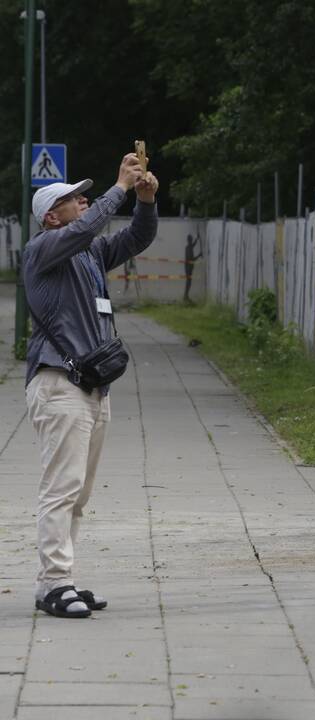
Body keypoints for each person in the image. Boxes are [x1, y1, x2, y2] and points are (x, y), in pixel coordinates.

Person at [23, 152, 159, 618]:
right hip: (59, 384)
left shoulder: (90, 253)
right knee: (61, 488)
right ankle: (56, 582)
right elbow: (86, 227)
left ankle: (57, 582)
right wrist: (118, 187)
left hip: (92, 387)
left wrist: (144, 201)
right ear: (51, 216)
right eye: (71, 198)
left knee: (78, 492)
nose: (82, 201)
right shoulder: (44, 249)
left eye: (84, 195)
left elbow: (137, 237)